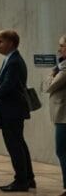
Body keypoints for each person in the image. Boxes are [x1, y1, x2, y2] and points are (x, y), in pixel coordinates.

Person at [0, 29, 34, 192]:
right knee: (19, 144)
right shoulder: (11, 59)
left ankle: (21, 181)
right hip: (12, 109)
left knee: (14, 146)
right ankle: (28, 178)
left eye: (0, 42)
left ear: (10, 43)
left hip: (12, 110)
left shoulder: (14, 61)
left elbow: (9, 86)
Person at [41, 34, 66, 195]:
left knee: (62, 151)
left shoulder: (64, 69)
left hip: (64, 117)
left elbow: (48, 86)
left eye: (62, 45)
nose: (59, 49)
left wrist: (52, 73)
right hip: (62, 116)